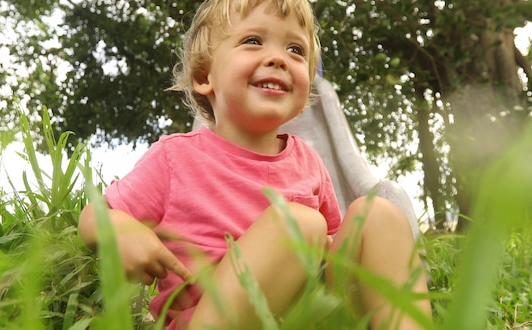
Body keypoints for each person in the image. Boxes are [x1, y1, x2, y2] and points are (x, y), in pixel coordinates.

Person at [78, 0, 432, 329]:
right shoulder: (175, 158)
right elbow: (95, 215)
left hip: (306, 317)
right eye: (253, 41)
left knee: (378, 214)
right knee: (300, 223)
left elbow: (336, 252)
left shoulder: (309, 163)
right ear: (205, 77)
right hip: (213, 319)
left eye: (295, 50)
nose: (278, 58)